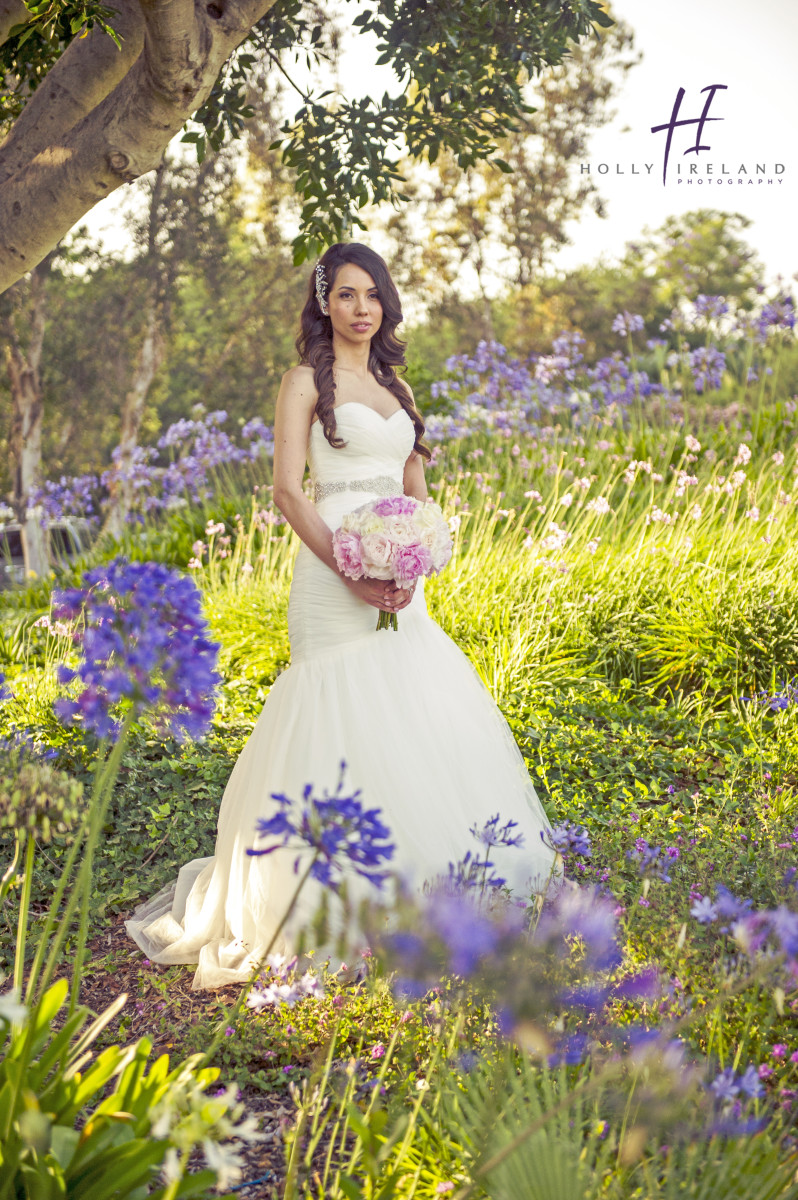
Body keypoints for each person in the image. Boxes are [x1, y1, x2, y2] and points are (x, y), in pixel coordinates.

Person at [125, 243, 560, 990]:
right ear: (325, 303)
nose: (362, 307)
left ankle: (429, 884)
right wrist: (352, 569)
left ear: (385, 306)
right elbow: (289, 491)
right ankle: (322, 907)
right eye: (348, 294)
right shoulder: (303, 382)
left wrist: (415, 555)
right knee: (335, 713)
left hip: (400, 577)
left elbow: (415, 483)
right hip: (332, 576)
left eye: (374, 295)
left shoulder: (398, 385)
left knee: (407, 709)